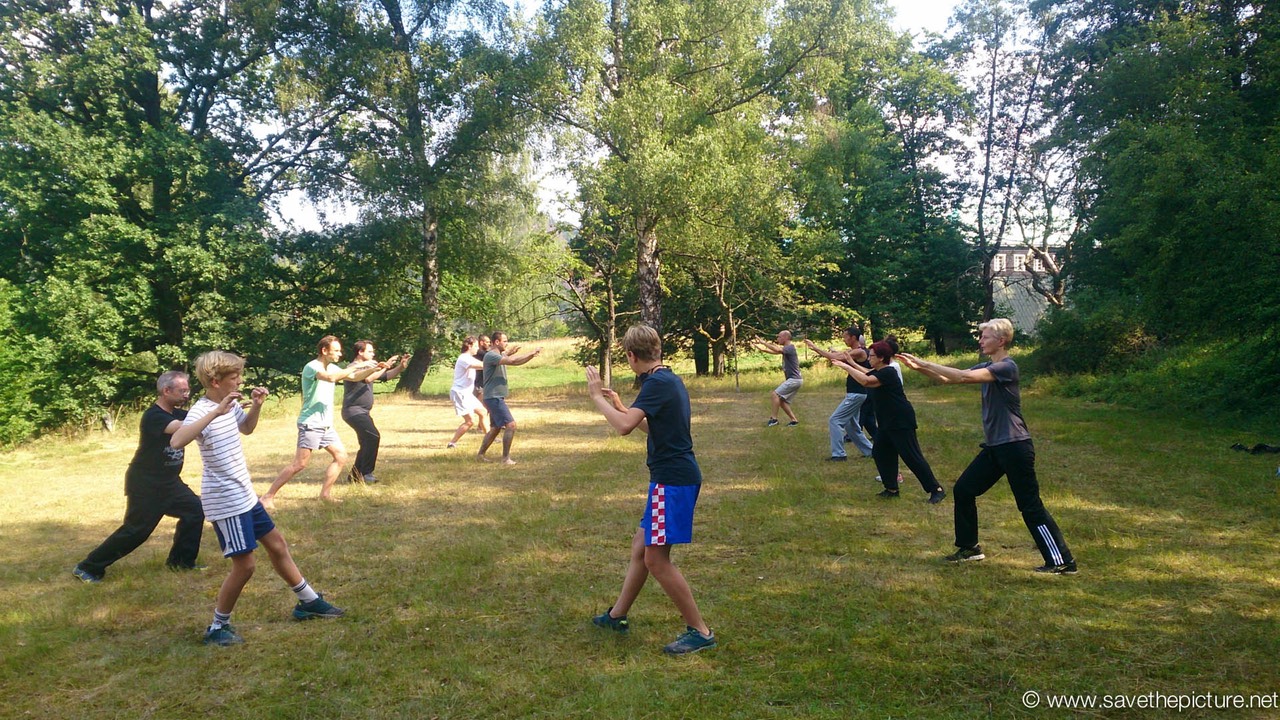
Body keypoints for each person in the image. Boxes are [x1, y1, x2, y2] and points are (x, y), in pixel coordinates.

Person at [170, 351, 344, 646]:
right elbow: (176, 441)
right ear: (215, 381)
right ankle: (217, 626)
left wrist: (257, 407)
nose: (240, 380)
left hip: (244, 494)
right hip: (226, 500)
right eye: (234, 377)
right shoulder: (202, 411)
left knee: (277, 545)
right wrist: (216, 412)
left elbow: (246, 428)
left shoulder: (231, 402)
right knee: (246, 566)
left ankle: (308, 602)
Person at [898, 318, 1077, 574]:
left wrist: (925, 362)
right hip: (996, 447)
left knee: (1029, 505)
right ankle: (969, 548)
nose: (980, 340)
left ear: (1001, 340)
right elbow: (952, 380)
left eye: (985, 337)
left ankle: (1063, 561)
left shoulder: (1007, 367)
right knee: (964, 490)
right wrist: (917, 367)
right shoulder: (989, 366)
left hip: (1015, 446)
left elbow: (961, 374)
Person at [585, 324, 716, 655]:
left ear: (631, 355)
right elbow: (648, 426)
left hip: (672, 481)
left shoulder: (656, 383)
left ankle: (700, 631)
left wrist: (597, 399)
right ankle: (617, 616)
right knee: (640, 547)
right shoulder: (666, 378)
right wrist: (618, 404)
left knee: (656, 559)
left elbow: (625, 428)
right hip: (671, 477)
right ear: (657, 348)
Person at [72, 371, 205, 583]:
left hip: (170, 483)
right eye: (182, 391)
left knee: (195, 511)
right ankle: (87, 567)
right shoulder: (154, 416)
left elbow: (198, 419)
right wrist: (214, 413)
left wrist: (227, 411)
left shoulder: (178, 413)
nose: (186, 395)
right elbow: (183, 428)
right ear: (166, 391)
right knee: (137, 531)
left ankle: (181, 562)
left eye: (187, 390)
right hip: (146, 484)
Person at [261, 336, 380, 508]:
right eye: (336, 350)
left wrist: (374, 368)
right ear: (324, 351)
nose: (340, 354)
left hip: (325, 424)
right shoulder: (312, 367)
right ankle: (268, 496)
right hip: (310, 423)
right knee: (299, 464)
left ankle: (324, 494)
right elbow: (331, 378)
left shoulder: (332, 366)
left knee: (340, 456)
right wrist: (361, 364)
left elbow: (353, 377)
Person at [833, 342, 946, 503]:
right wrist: (850, 363)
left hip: (900, 420)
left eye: (872, 356)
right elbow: (867, 373)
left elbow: (866, 381)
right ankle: (891, 489)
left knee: (911, 456)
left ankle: (936, 489)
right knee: (881, 453)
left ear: (881, 358)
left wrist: (846, 367)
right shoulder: (880, 371)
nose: (869, 358)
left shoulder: (889, 371)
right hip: (887, 421)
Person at [340, 340, 408, 484]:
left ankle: (354, 476)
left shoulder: (369, 367)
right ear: (360, 352)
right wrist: (384, 366)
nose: (373, 354)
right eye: (370, 351)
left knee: (366, 442)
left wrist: (400, 368)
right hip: (353, 411)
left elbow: (386, 376)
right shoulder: (353, 367)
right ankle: (366, 474)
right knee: (373, 437)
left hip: (362, 412)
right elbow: (368, 378)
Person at [804, 328, 874, 462]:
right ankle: (871, 451)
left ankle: (839, 454)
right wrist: (833, 352)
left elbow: (837, 357)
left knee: (835, 420)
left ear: (853, 338)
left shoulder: (859, 351)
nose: (844, 339)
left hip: (857, 394)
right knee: (851, 426)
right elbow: (839, 354)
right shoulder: (855, 351)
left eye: (845, 337)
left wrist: (815, 348)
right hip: (857, 393)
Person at [476, 332, 542, 465]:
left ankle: (480, 455)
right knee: (510, 425)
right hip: (493, 397)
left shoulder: (497, 355)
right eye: (504, 341)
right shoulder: (491, 356)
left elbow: (515, 361)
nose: (506, 343)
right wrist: (530, 353)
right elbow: (513, 361)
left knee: (495, 428)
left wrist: (531, 356)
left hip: (494, 396)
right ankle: (505, 458)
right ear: (496, 342)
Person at [447, 336, 490, 448]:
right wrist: (496, 362)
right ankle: (452, 443)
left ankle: (489, 437)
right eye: (475, 346)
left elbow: (483, 363)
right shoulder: (464, 358)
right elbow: (482, 365)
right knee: (470, 421)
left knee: (483, 412)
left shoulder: (469, 357)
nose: (477, 349)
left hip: (466, 394)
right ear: (469, 346)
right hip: (460, 393)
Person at [752, 330, 802, 426]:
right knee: (782, 401)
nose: (777, 339)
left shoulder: (790, 348)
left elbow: (778, 350)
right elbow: (775, 351)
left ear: (785, 337)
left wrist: (763, 342)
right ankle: (794, 420)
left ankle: (774, 419)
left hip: (794, 379)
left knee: (775, 394)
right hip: (796, 380)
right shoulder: (787, 349)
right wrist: (762, 349)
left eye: (779, 337)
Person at [470, 335, 492, 434]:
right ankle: (480, 427)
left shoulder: (482, 353)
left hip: (482, 383)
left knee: (484, 406)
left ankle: (480, 426)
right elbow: (490, 356)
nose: (489, 343)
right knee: (482, 406)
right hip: (479, 383)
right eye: (487, 342)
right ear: (481, 342)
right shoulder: (479, 352)